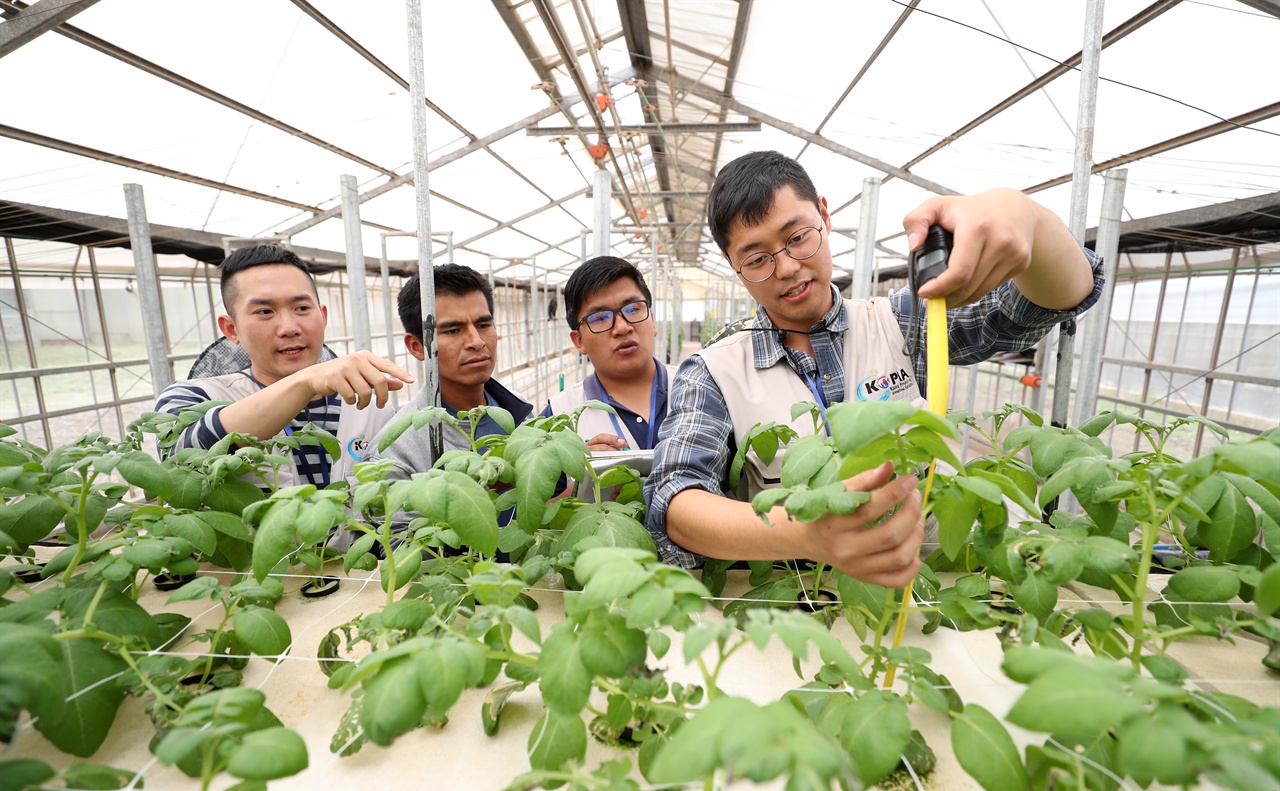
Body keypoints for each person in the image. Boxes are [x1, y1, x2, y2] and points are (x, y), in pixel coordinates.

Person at [645, 150, 1104, 588]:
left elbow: (1042, 303)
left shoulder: (906, 321)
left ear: (824, 216)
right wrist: (803, 534)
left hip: (924, 593)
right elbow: (675, 502)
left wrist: (1031, 220)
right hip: (797, 603)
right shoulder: (712, 371)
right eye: (757, 258)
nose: (785, 267)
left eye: (798, 237)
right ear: (733, 265)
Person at [154, 244, 411, 490]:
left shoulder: (371, 407)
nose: (289, 327)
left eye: (301, 308)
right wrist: (306, 382)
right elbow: (179, 462)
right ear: (232, 329)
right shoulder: (194, 397)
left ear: (322, 317)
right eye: (265, 311)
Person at [366, 264, 533, 488]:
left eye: (483, 324)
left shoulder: (518, 409)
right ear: (417, 346)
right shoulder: (395, 452)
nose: (477, 341)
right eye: (453, 331)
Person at [543, 256, 670, 452]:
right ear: (579, 341)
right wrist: (585, 477)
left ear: (652, 320)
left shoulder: (699, 389)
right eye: (600, 318)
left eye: (633, 309)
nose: (622, 327)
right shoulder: (559, 416)